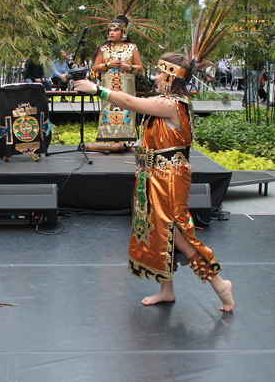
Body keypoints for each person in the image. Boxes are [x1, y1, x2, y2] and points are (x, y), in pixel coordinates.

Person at [74, 52, 235, 312]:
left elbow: (128, 101)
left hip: (170, 177)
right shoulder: (167, 101)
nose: (156, 77)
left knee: (179, 233)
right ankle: (166, 289)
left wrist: (97, 90)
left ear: (171, 77)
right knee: (158, 231)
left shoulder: (172, 104)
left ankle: (219, 284)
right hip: (154, 174)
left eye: (160, 73)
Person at [91, 15, 143, 148]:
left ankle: (128, 140)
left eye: (116, 30)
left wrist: (128, 67)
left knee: (127, 109)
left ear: (123, 32)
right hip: (108, 86)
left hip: (126, 86)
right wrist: (108, 64)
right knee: (107, 110)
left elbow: (140, 67)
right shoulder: (103, 48)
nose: (112, 32)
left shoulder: (132, 48)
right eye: (110, 30)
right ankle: (106, 140)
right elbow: (95, 67)